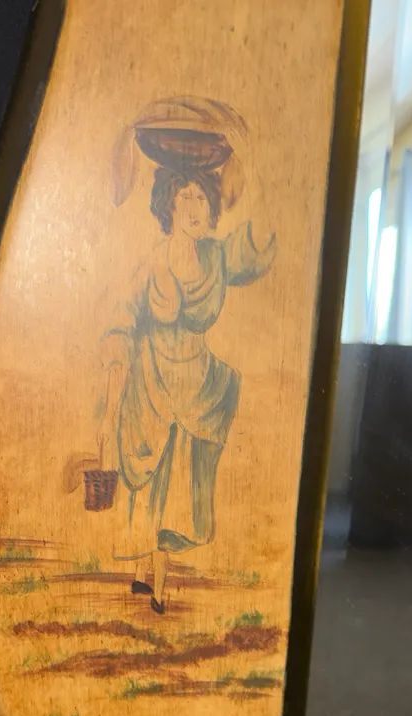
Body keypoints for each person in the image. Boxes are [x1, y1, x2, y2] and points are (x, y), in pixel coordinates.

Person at [98, 150, 275, 614]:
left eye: (202, 198)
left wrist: (254, 174)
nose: (196, 207)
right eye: (186, 197)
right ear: (169, 205)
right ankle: (151, 584)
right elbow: (121, 323)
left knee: (177, 489)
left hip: (197, 387)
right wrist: (112, 393)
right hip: (150, 383)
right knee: (149, 483)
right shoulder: (151, 263)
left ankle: (153, 581)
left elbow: (257, 244)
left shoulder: (217, 257)